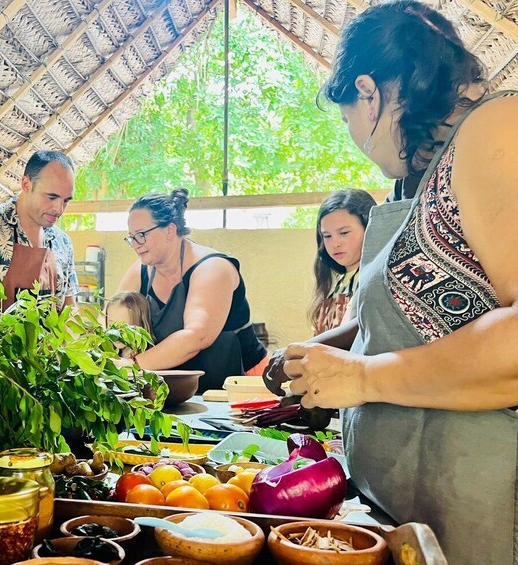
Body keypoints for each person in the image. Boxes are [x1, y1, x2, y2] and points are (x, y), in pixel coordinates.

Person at [266, 2, 518, 562]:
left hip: (486, 518)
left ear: (369, 92)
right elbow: (412, 322)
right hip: (419, 513)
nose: (357, 138)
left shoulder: (497, 128)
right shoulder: (421, 177)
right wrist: (327, 356)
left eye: (349, 117)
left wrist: (361, 377)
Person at [117, 188, 266, 392]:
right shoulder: (141, 270)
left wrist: (132, 366)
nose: (135, 245)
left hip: (240, 384)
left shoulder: (212, 268)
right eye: (131, 237)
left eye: (141, 235)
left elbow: (197, 336)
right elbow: (113, 324)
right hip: (182, 388)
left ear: (169, 230)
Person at [0, 150, 78, 310]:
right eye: (52, 197)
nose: (59, 209)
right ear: (26, 184)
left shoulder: (64, 243)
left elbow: (70, 310)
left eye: (66, 200)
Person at [310, 189, 377, 335]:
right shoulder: (335, 283)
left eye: (344, 233)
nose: (335, 243)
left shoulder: (376, 281)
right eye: (327, 236)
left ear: (369, 227)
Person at [105, 292, 155, 359]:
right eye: (111, 324)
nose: (115, 332)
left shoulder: (148, 356)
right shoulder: (108, 351)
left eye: (124, 326)